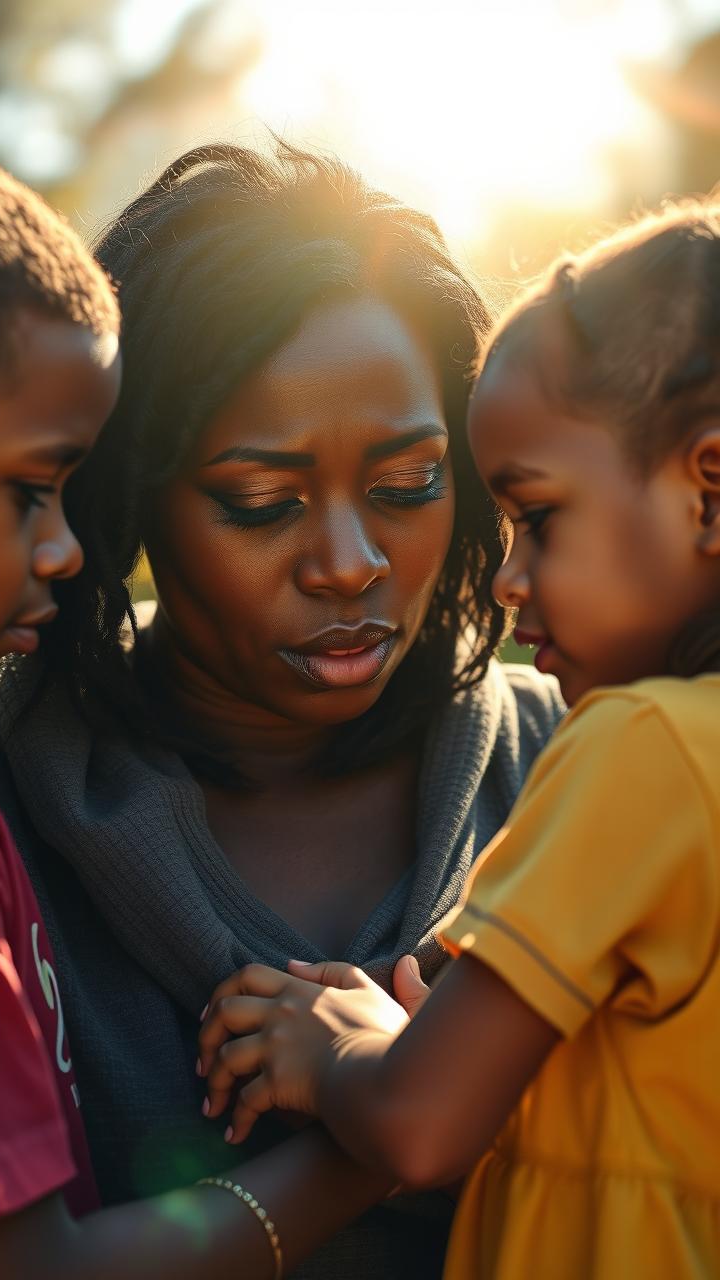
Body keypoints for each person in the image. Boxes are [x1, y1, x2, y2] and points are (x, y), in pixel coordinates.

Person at [0, 139, 563, 1278]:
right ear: (122, 493)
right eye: (259, 502)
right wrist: (404, 1115)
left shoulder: (588, 760)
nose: (350, 563)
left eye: (407, 486)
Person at [199, 198, 720, 1279]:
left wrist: (335, 1041)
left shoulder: (637, 744)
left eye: (538, 516)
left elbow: (422, 1123)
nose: (505, 578)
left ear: (708, 487)